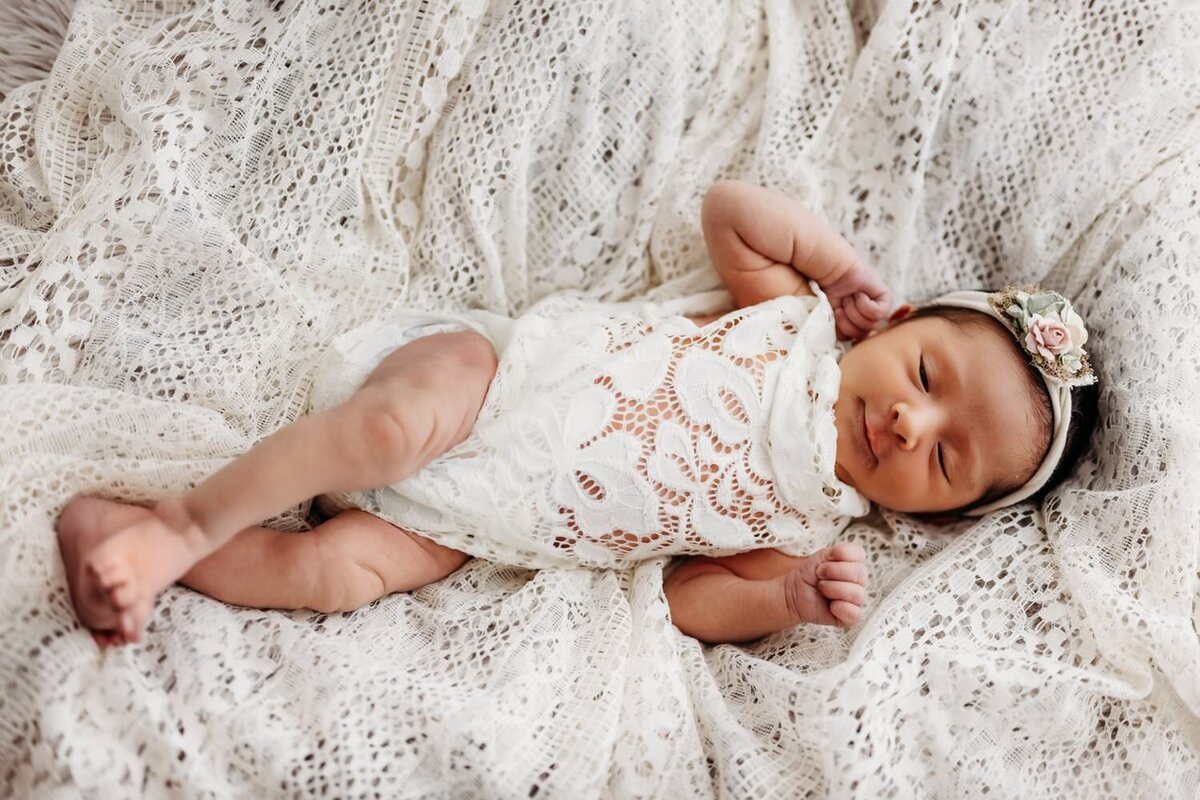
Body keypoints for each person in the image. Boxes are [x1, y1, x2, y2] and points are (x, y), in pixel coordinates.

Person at [55, 180, 1100, 648]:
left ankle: (130, 539)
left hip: (470, 525)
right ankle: (185, 521)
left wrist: (785, 600)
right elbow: (730, 209)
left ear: (933, 514)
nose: (913, 425)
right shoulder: (795, 325)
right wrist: (839, 268)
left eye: (949, 458)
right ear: (894, 321)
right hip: (491, 381)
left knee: (333, 576)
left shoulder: (809, 528)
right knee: (384, 431)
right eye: (924, 371)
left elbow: (692, 601)